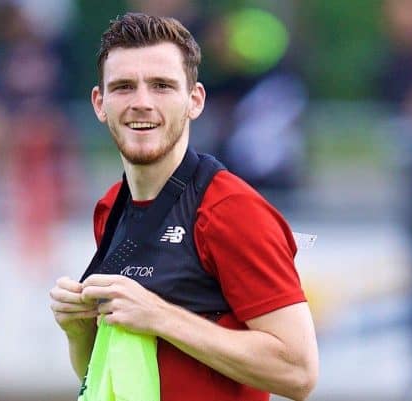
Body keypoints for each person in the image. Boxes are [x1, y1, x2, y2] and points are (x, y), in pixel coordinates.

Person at [50, 12, 318, 401]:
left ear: (194, 100)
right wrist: (78, 333)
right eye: (124, 87)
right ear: (99, 103)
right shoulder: (111, 207)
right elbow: (108, 372)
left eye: (161, 86)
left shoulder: (231, 211)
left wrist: (160, 315)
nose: (142, 103)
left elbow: (299, 372)